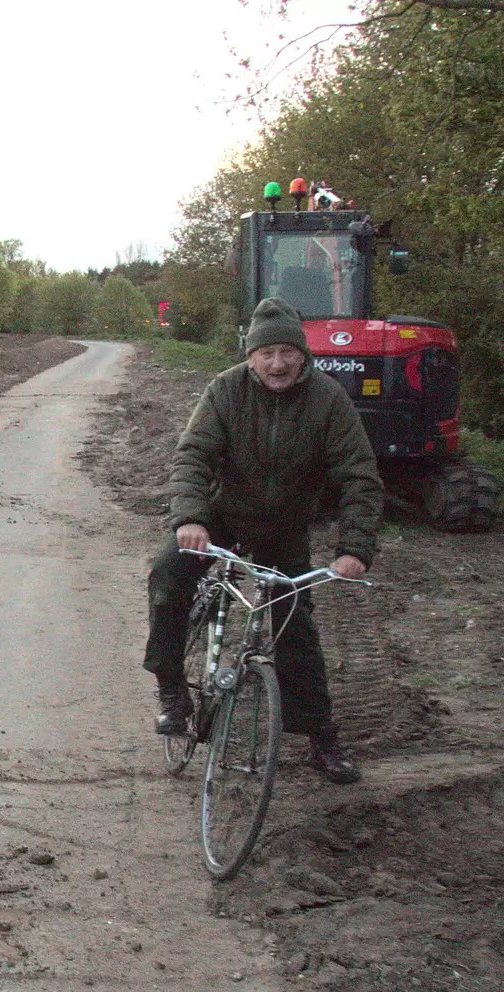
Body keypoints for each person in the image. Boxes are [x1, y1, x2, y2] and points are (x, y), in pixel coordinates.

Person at [143, 297, 383, 784]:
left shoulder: (328, 399)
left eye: (287, 353)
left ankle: (320, 736)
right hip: (223, 517)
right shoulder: (225, 391)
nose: (277, 364)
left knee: (296, 628)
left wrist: (354, 547)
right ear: (250, 356)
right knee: (168, 576)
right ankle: (172, 689)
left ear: (303, 355)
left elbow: (359, 476)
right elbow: (193, 458)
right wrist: (191, 518)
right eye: (266, 353)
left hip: (286, 525)